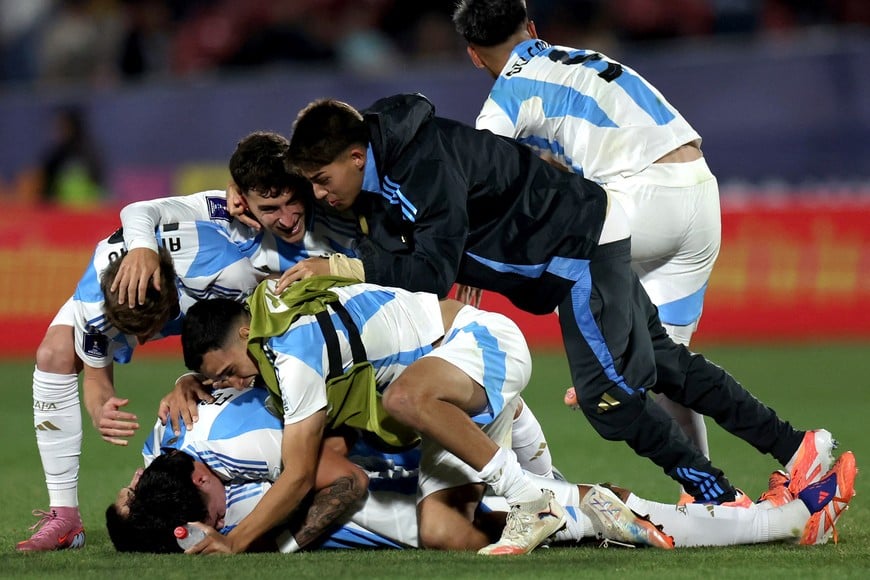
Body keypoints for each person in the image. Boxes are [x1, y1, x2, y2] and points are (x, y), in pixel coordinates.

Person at [282, 93, 836, 548]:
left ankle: (718, 497)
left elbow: (429, 269)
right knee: (667, 363)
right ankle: (799, 448)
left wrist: (343, 265)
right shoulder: (383, 173)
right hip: (579, 240)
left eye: (322, 177)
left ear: (357, 156)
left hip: (574, 252)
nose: (319, 192)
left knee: (608, 401)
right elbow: (421, 248)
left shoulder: (420, 163)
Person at [113, 131, 558, 479]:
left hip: (394, 336)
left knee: (429, 410)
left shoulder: (340, 208)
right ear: (240, 198)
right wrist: (140, 250)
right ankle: (536, 483)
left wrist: (457, 262)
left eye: (293, 201)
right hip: (336, 362)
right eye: (270, 208)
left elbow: (427, 215)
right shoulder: (226, 220)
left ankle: (537, 481)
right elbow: (139, 212)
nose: (287, 219)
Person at [452, 0, 721, 476]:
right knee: (671, 372)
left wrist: (468, 254)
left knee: (563, 255)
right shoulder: (586, 60)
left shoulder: (507, 96)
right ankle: (712, 492)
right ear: (532, 29)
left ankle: (604, 365)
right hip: (700, 191)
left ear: (474, 55)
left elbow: (480, 174)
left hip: (642, 197)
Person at [109, 385, 856, 552]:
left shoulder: (221, 503)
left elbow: (341, 478)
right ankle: (788, 514)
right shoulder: (225, 485)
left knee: (586, 509)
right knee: (591, 510)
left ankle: (790, 515)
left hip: (436, 471)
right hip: (440, 475)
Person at [179, 277, 567, 555]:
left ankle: (532, 500)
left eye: (228, 372)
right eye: (219, 380)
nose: (235, 384)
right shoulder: (271, 301)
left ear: (246, 334)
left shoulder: (294, 356)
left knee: (399, 399)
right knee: (442, 532)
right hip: (443, 388)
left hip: (480, 340)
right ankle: (587, 516)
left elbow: (298, 475)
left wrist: (234, 541)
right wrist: (185, 382)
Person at [17, 220, 267, 552]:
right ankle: (65, 519)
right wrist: (100, 410)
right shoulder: (96, 306)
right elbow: (96, 380)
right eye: (128, 333)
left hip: (216, 256)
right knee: (53, 354)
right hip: (117, 286)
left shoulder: (219, 273)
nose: (143, 341)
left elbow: (240, 341)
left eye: (149, 330)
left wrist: (192, 379)